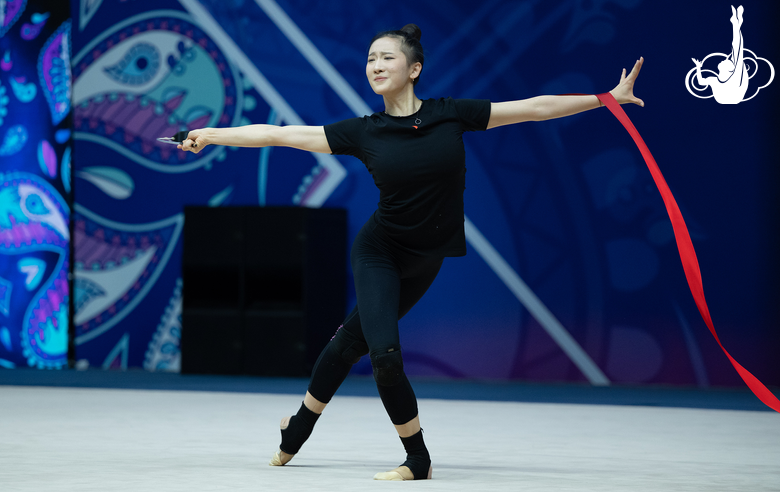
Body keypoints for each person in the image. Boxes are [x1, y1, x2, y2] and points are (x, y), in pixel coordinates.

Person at [179, 23, 644, 481]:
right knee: (383, 354)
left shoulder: (451, 114)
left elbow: (535, 107)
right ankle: (417, 459)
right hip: (379, 250)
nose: (375, 65)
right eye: (370, 58)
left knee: (349, 343)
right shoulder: (364, 132)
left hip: (427, 258)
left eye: (387, 57)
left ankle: (297, 427)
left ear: (415, 68)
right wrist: (212, 133)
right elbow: (278, 135)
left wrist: (607, 98)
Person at [692, 5, 747, 104]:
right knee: (737, 52)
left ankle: (736, 24)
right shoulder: (717, 79)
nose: (724, 59)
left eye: (726, 61)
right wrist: (698, 67)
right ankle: (736, 24)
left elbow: (701, 82)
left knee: (737, 50)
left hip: (732, 95)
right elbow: (700, 82)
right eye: (727, 60)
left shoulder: (723, 79)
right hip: (731, 96)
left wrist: (698, 67)